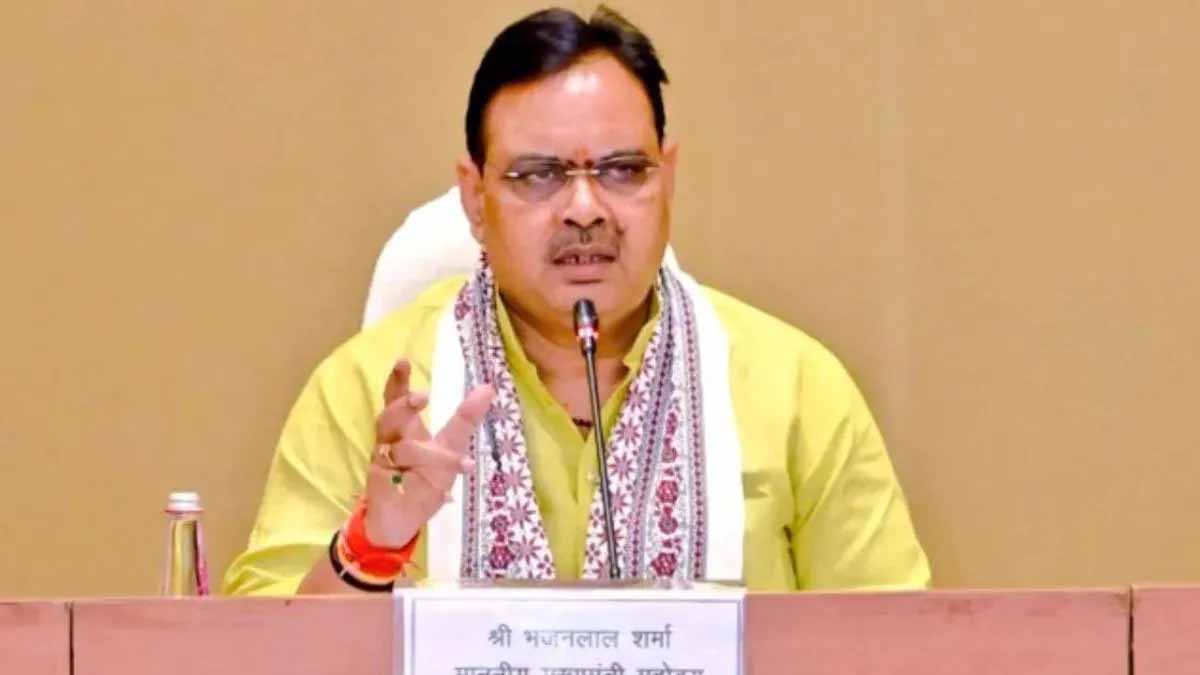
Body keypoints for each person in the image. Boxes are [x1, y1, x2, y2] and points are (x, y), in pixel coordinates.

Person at [223, 5, 930, 595]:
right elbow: (256, 655)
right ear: (475, 198)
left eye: (623, 170)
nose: (585, 209)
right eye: (539, 175)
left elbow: (899, 646)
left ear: (667, 176)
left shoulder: (796, 388)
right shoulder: (367, 391)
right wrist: (371, 545)